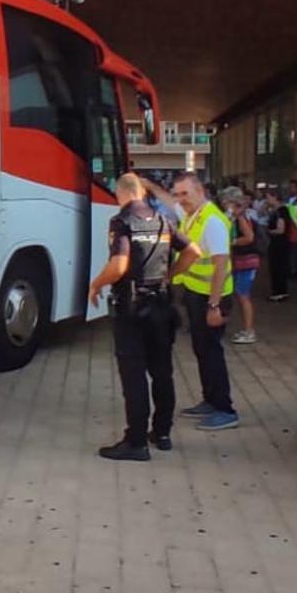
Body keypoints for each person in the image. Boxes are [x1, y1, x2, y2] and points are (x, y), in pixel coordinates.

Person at [89, 174, 200, 461]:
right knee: (162, 370)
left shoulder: (122, 221)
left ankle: (135, 442)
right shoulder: (163, 220)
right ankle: (161, 433)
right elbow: (193, 251)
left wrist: (96, 284)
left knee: (134, 374)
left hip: (133, 306)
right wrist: (169, 276)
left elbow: (119, 265)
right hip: (162, 304)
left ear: (120, 193)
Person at [146, 174, 238, 430]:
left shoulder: (212, 222)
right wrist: (149, 185)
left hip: (212, 297)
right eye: (178, 194)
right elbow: (167, 200)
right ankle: (210, 400)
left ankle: (225, 408)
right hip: (196, 293)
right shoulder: (192, 214)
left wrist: (214, 305)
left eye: (185, 194)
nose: (180, 199)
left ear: (200, 191)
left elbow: (220, 266)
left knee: (212, 351)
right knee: (202, 350)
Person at [220, 187, 260, 345]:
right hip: (239, 261)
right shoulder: (235, 216)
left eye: (225, 201)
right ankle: (246, 329)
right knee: (240, 295)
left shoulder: (241, 217)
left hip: (246, 261)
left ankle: (249, 331)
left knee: (243, 296)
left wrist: (231, 242)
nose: (223, 204)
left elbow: (249, 237)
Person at [265, 189, 292, 302]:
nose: (266, 200)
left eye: (268, 197)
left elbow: (281, 229)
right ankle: (280, 290)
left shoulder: (281, 211)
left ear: (274, 197)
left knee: (277, 266)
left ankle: (279, 292)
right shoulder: (278, 210)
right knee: (278, 266)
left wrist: (270, 231)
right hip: (280, 243)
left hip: (278, 243)